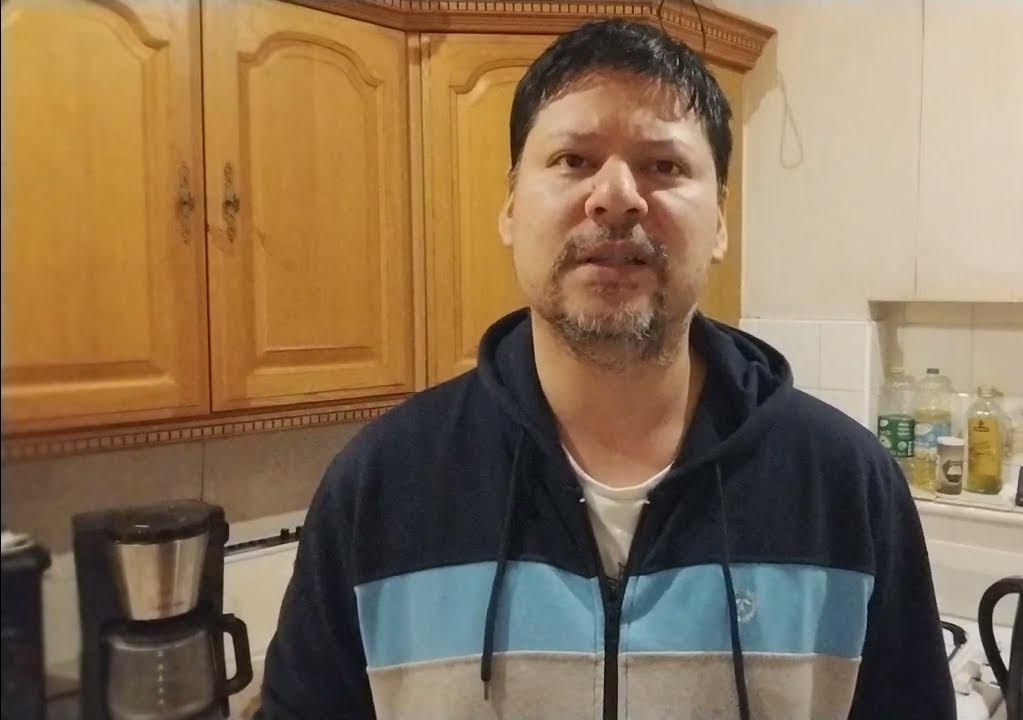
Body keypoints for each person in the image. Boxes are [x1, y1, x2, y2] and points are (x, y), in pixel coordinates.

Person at [259, 18, 953, 720]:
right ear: (510, 208)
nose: (616, 196)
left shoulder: (845, 485)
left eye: (664, 166)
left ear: (719, 223)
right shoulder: (380, 484)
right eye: (573, 159)